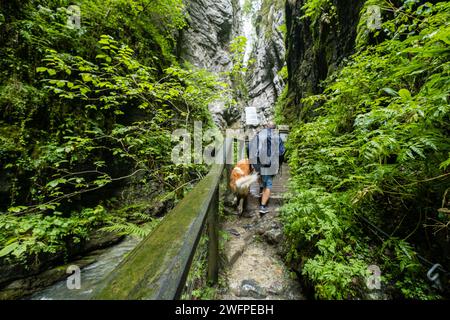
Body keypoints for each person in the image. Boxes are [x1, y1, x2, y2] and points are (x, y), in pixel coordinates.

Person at [248, 122, 286, 216]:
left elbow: (249, 147)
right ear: (275, 129)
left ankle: (261, 187)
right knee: (268, 184)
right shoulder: (278, 138)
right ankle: (263, 206)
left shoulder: (258, 136)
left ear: (266, 127)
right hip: (271, 164)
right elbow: (281, 152)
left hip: (259, 162)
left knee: (261, 175)